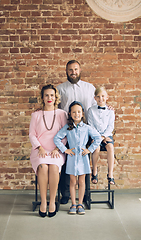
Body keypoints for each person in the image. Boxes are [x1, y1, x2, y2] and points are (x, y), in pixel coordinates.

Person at [57, 60, 96, 204]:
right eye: (70, 70)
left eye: (75, 69)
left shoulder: (89, 88)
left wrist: (107, 107)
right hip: (67, 129)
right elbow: (55, 108)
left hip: (85, 129)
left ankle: (84, 195)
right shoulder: (60, 88)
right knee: (67, 160)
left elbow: (95, 107)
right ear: (66, 71)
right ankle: (66, 193)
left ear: (80, 70)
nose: (73, 72)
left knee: (84, 160)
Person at [54, 101, 101, 214]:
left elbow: (98, 138)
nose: (76, 114)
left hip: (83, 157)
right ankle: (73, 204)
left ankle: (80, 203)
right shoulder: (67, 127)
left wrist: (89, 150)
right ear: (70, 114)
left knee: (82, 181)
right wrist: (65, 150)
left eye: (79, 112)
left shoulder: (87, 127)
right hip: (72, 156)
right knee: (72, 181)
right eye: (74, 112)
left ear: (82, 114)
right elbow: (57, 138)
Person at [29, 84, 67, 218]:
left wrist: (58, 148)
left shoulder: (62, 114)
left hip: (56, 150)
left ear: (56, 97)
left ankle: (52, 201)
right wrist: (39, 147)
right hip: (40, 150)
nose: (49, 98)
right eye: (46, 95)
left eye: (52, 95)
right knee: (43, 167)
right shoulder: (36, 115)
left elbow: (66, 134)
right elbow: (32, 134)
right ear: (42, 98)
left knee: (54, 167)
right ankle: (43, 201)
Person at [88, 86, 115, 185]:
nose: (101, 99)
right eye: (98, 96)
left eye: (103, 96)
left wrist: (103, 136)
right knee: (96, 148)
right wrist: (98, 137)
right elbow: (90, 125)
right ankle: (94, 171)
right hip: (95, 136)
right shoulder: (91, 110)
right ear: (95, 98)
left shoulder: (110, 111)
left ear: (107, 97)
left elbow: (110, 126)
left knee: (110, 147)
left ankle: (110, 174)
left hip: (107, 135)